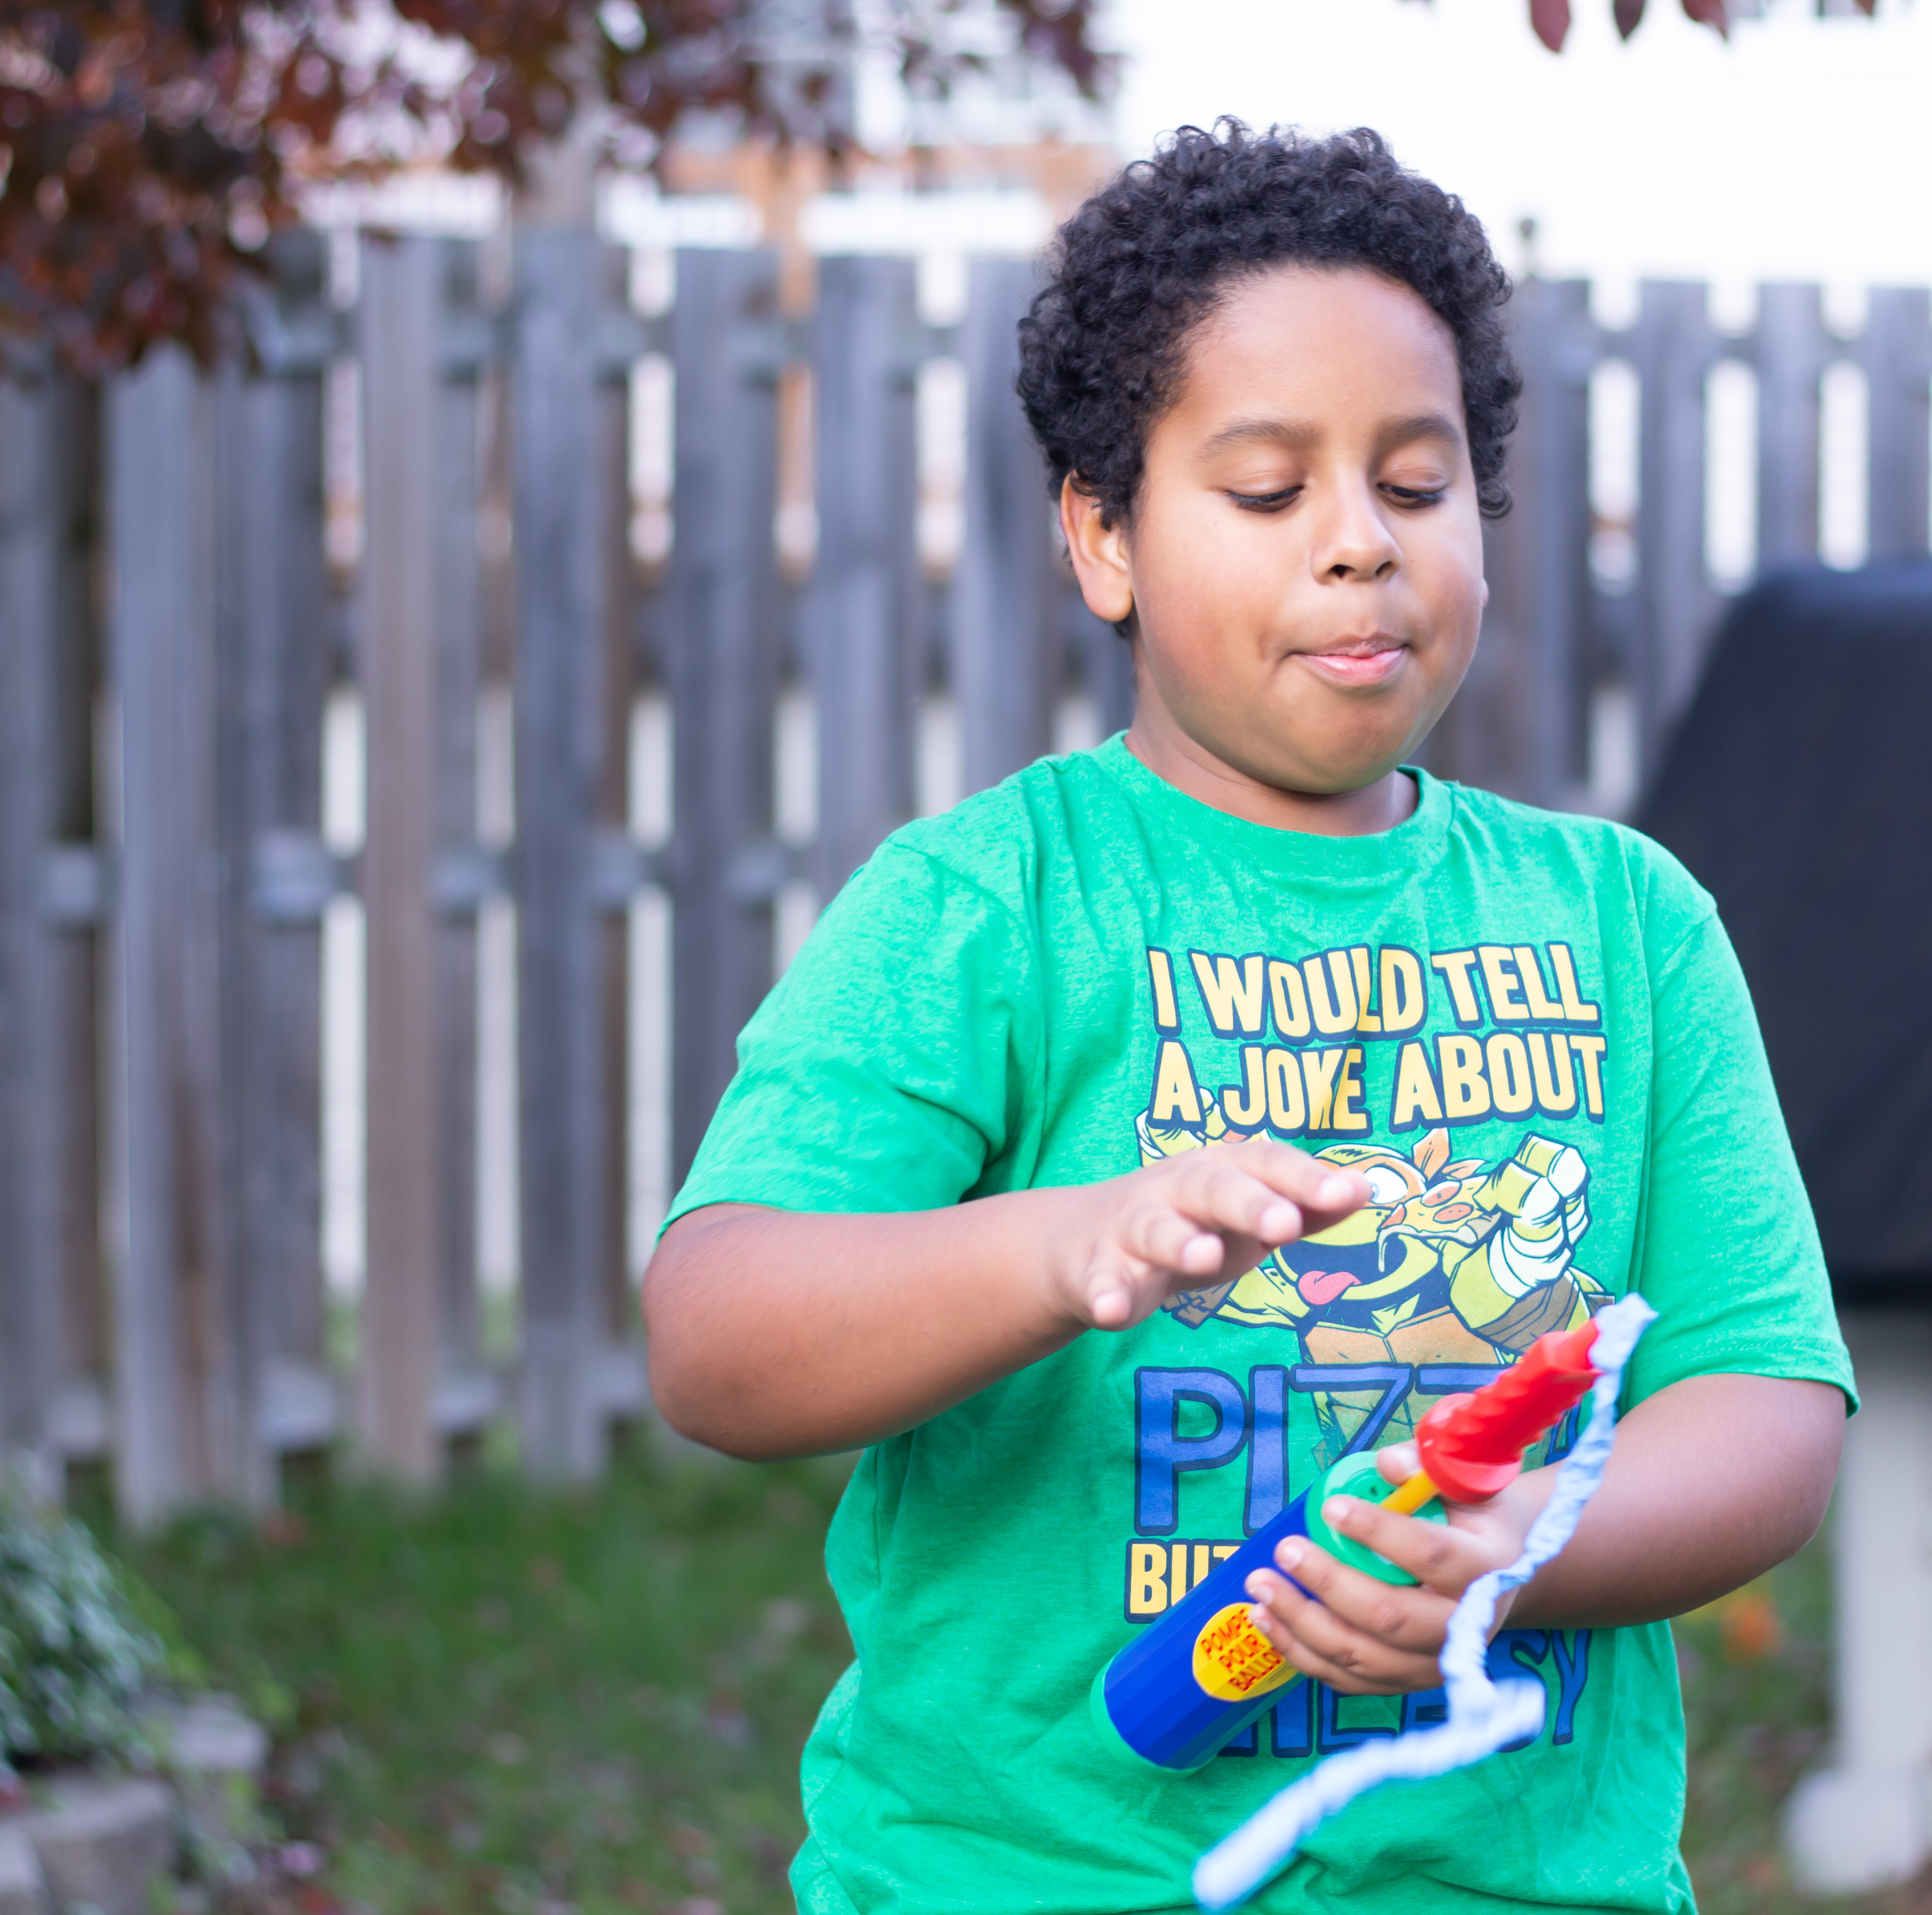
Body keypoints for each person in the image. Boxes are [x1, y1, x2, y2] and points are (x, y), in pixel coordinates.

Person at [642, 120, 1855, 1914]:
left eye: (1417, 485)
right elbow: (720, 1337)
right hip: (1023, 1873)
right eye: (1270, 493)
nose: (1358, 547)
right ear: (1105, 537)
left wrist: (1534, 1548)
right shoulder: (995, 904)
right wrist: (1070, 1246)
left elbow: (1763, 1399)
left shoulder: (1628, 928)